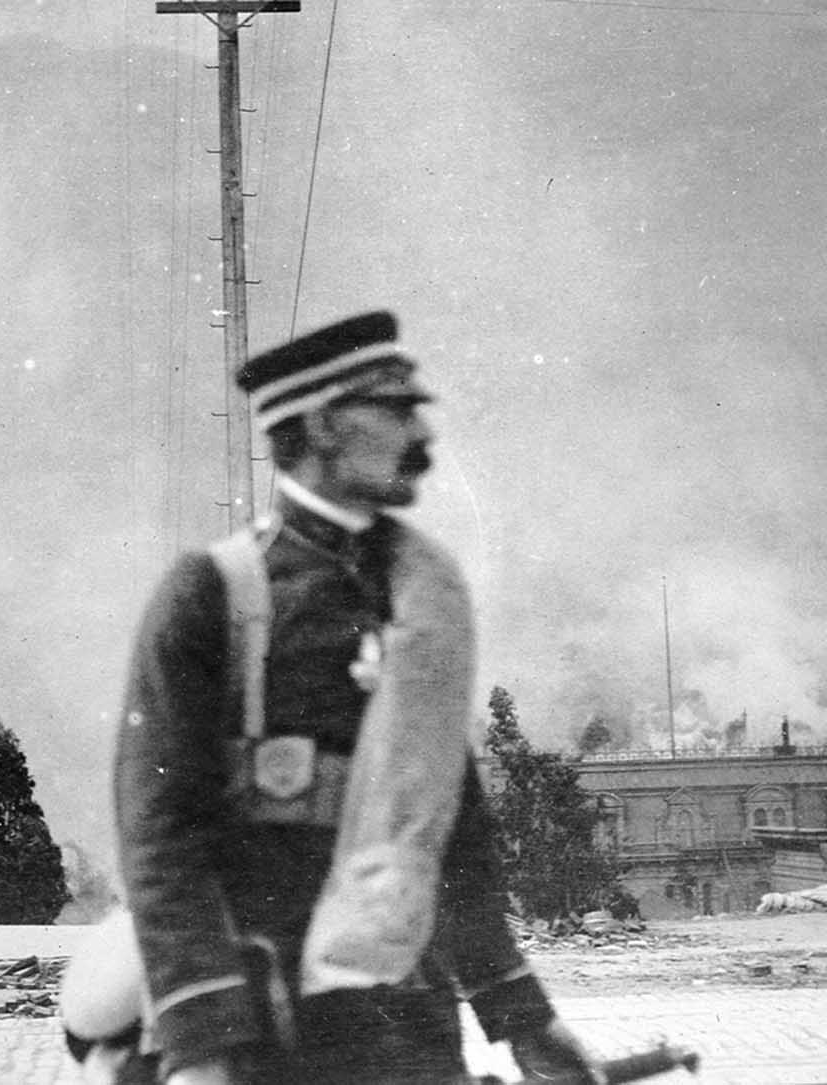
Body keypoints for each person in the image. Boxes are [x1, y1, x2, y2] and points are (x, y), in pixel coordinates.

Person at [69, 311, 603, 1085]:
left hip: (405, 1013)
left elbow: (450, 835)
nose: (421, 433)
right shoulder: (213, 593)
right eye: (394, 407)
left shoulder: (421, 599)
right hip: (263, 1013)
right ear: (322, 425)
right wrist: (203, 1045)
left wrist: (525, 1021)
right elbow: (159, 834)